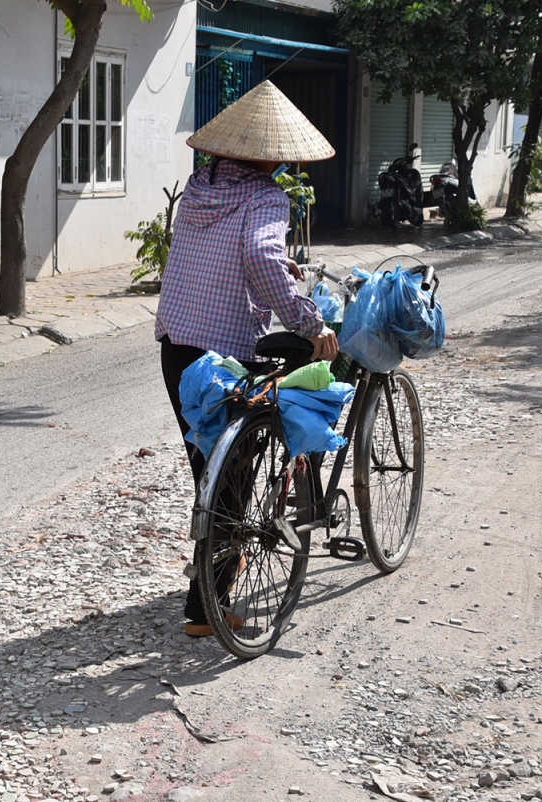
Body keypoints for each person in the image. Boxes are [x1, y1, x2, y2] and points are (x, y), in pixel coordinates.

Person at [154, 80, 339, 638]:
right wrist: (310, 324)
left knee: (207, 466)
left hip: (178, 347)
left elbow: (228, 257)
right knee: (233, 475)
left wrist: (279, 278)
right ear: (267, 153)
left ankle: (207, 587)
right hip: (227, 351)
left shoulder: (200, 188)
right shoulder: (264, 196)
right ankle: (207, 606)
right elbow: (259, 254)